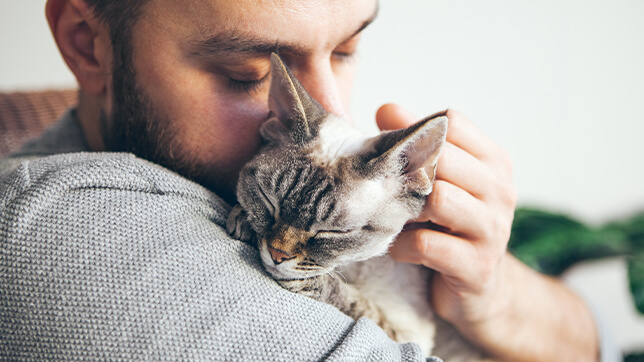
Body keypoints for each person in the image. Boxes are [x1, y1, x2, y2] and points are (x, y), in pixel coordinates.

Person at [0, 0, 604, 360]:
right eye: (250, 72)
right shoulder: (63, 233)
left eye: (346, 49)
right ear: (88, 43)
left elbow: (588, 346)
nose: (331, 110)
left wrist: (494, 295)